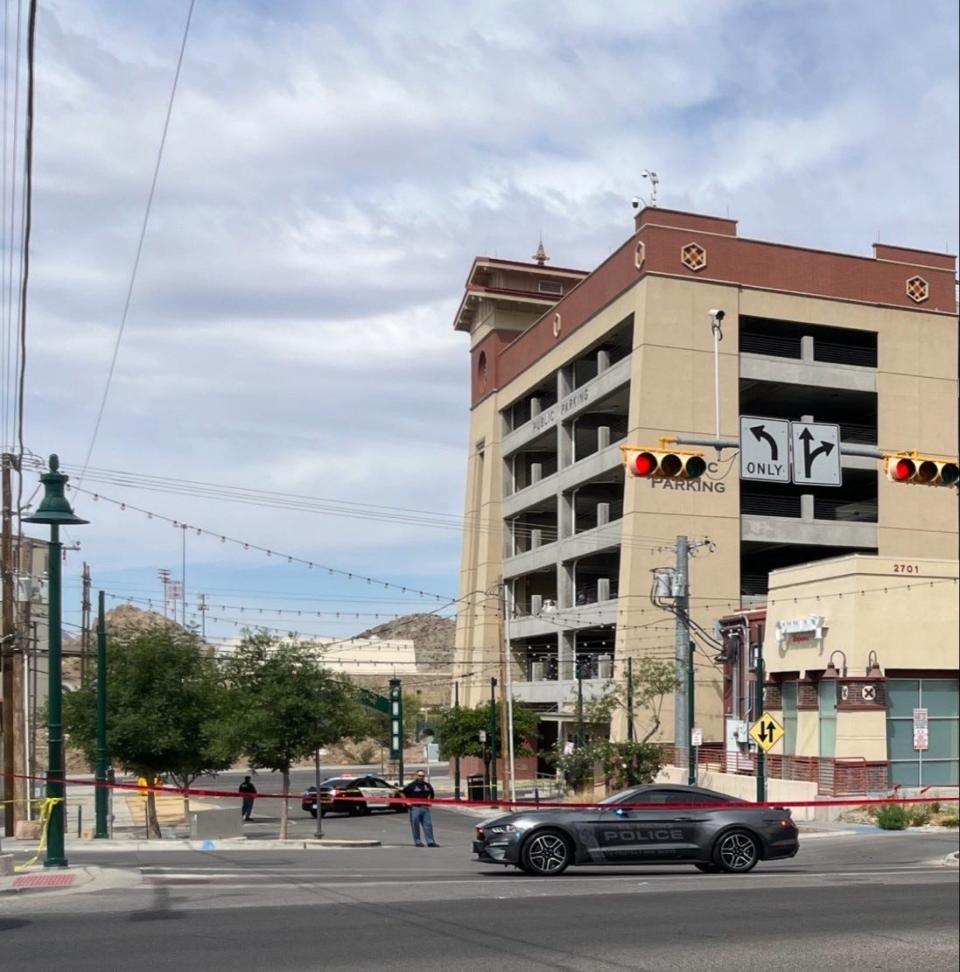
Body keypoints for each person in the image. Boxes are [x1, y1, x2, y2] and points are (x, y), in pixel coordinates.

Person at [402, 771, 438, 847]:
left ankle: (430, 842)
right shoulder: (411, 785)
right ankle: (418, 842)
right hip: (415, 808)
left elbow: (432, 793)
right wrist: (407, 803)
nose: (421, 777)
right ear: (416, 776)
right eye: (419, 775)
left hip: (425, 808)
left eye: (422, 776)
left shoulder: (427, 785)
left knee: (428, 825)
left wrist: (430, 801)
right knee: (415, 825)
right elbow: (402, 793)